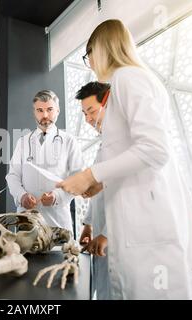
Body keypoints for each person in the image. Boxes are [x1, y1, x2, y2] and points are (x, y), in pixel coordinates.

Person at [57, 19, 192, 299]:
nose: (89, 63)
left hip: (146, 222)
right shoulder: (125, 82)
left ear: (103, 48)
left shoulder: (128, 78)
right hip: (136, 219)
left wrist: (90, 175)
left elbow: (155, 149)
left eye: (89, 54)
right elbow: (131, 155)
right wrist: (100, 183)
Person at [6, 90, 84, 234]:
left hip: (58, 219)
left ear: (58, 110)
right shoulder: (23, 142)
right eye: (40, 110)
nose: (45, 115)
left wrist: (57, 197)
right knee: (26, 254)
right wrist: (21, 195)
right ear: (34, 112)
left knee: (60, 254)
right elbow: (13, 176)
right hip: (27, 218)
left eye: (49, 109)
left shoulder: (69, 141)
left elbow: (77, 178)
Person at [76, 81, 112, 300]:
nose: (88, 119)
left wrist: (107, 233)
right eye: (84, 113)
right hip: (100, 233)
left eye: (91, 111)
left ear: (108, 105)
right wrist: (88, 224)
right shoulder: (105, 144)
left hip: (116, 238)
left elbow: (126, 194)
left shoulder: (123, 144)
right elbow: (99, 191)